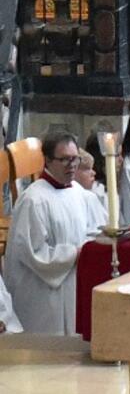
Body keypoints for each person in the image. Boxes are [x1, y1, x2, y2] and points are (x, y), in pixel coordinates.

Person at [2, 131, 105, 335]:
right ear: (47, 160)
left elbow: (95, 229)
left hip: (73, 280)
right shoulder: (34, 200)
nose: (72, 165)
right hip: (44, 290)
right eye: (65, 159)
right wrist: (75, 253)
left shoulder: (78, 192)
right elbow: (35, 254)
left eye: (74, 158)